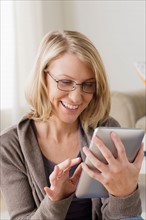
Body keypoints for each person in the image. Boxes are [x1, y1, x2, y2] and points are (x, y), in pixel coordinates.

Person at [0, 30, 144, 220]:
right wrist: (56, 200)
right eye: (65, 82)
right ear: (43, 78)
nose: (76, 97)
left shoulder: (106, 130)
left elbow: (123, 216)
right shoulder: (10, 145)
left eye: (88, 84)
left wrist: (124, 192)